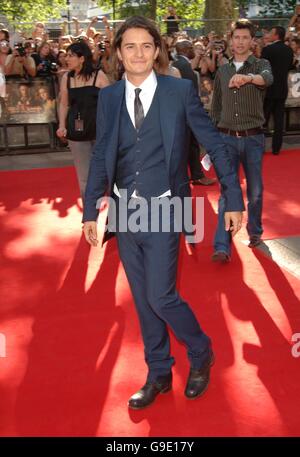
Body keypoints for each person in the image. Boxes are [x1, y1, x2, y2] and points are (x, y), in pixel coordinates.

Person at [82, 16, 244, 410]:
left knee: (160, 294)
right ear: (119, 54)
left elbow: (213, 144)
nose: (138, 53)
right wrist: (92, 208)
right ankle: (158, 372)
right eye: (130, 46)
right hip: (123, 209)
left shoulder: (179, 91)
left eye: (146, 46)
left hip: (166, 207)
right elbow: (103, 152)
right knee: (142, 298)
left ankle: (201, 349)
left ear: (157, 51)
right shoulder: (108, 97)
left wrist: (234, 197)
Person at [211, 19, 273, 263]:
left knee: (255, 192)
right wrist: (212, 139)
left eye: (245, 38)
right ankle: (222, 245)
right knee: (228, 192)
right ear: (231, 39)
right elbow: (216, 107)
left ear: (252, 41)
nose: (240, 42)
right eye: (236, 37)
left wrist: (247, 78)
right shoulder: (223, 71)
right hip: (225, 138)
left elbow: (267, 79)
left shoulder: (261, 64)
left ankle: (255, 232)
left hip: (253, 139)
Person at [56, 41, 110, 201]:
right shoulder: (66, 77)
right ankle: (89, 215)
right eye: (66, 55)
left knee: (104, 173)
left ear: (82, 58)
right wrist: (62, 125)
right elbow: (64, 104)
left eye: (71, 55)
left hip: (99, 133)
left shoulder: (99, 76)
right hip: (77, 133)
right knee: (84, 176)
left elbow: (110, 105)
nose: (67, 59)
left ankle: (110, 210)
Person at [172, 39, 216, 186]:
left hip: (179, 111)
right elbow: (189, 92)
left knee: (189, 144)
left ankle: (195, 175)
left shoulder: (177, 64)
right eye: (191, 48)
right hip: (187, 112)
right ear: (184, 49)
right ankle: (195, 175)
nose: (193, 50)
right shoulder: (184, 66)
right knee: (191, 144)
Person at [261, 26, 294, 155]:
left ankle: (259, 147)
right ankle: (276, 149)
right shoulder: (288, 50)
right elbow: (290, 66)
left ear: (276, 35)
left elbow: (261, 67)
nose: (268, 34)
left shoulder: (268, 49)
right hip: (282, 89)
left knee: (263, 120)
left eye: (270, 32)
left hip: (268, 89)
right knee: (279, 120)